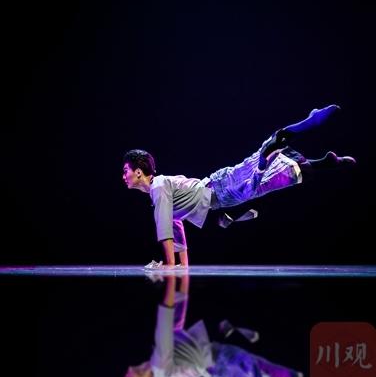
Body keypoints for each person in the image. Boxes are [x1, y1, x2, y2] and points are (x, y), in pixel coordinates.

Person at [122, 105, 355, 269]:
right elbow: (176, 227)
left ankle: (269, 156)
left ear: (138, 172)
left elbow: (163, 227)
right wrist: (181, 264)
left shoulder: (158, 188)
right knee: (273, 179)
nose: (124, 176)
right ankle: (325, 162)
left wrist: (168, 265)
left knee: (256, 182)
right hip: (219, 188)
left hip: (219, 190)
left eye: (126, 171)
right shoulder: (160, 187)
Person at [123, 273, 310, 377]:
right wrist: (172, 275)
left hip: (221, 363)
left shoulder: (159, 364)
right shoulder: (159, 366)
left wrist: (181, 268)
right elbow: (166, 314)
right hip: (222, 366)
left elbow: (176, 310)